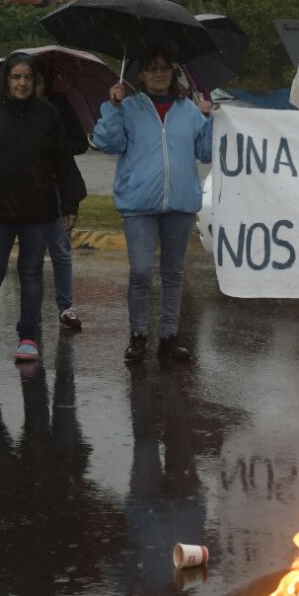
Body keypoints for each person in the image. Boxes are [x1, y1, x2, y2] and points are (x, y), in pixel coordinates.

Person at [0, 52, 83, 363]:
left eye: (28, 77)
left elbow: (64, 161)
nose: (22, 83)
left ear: (35, 81)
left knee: (32, 274)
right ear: (6, 80)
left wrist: (70, 203)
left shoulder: (48, 115)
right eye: (16, 77)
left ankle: (28, 337)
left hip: (39, 211)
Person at [93, 47, 213, 364]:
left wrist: (207, 118)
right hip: (138, 203)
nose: (158, 73)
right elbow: (107, 143)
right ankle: (138, 335)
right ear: (141, 75)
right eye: (151, 68)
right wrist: (113, 107)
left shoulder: (188, 110)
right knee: (142, 272)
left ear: (173, 73)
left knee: (173, 274)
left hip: (180, 203)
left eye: (164, 68)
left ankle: (169, 337)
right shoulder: (128, 107)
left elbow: (206, 151)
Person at [35, 58, 89, 331]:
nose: (28, 84)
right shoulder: (12, 109)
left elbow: (80, 143)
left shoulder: (59, 105)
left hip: (58, 188)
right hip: (24, 191)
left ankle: (66, 307)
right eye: (21, 78)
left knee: (60, 250)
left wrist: (55, 144)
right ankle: (31, 311)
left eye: (35, 79)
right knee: (31, 254)